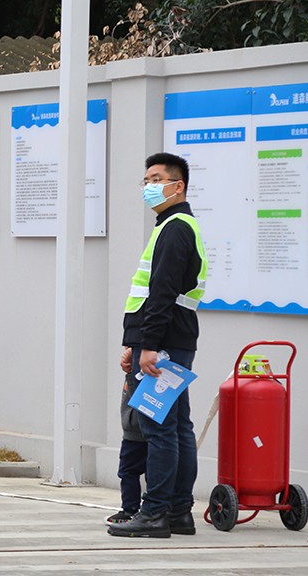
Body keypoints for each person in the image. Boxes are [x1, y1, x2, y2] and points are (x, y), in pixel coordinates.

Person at [109, 152, 206, 538]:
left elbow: (161, 291)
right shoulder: (176, 225)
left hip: (162, 344)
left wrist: (147, 345)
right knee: (177, 425)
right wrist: (134, 343)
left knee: (158, 426)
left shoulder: (175, 228)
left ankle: (154, 513)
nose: (148, 187)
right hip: (171, 340)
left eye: (155, 179)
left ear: (177, 186)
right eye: (146, 180)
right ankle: (179, 512)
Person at [106, 371, 147, 525]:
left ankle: (131, 510)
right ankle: (135, 509)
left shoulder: (140, 369)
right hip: (134, 431)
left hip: (137, 431)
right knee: (131, 472)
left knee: (129, 471)